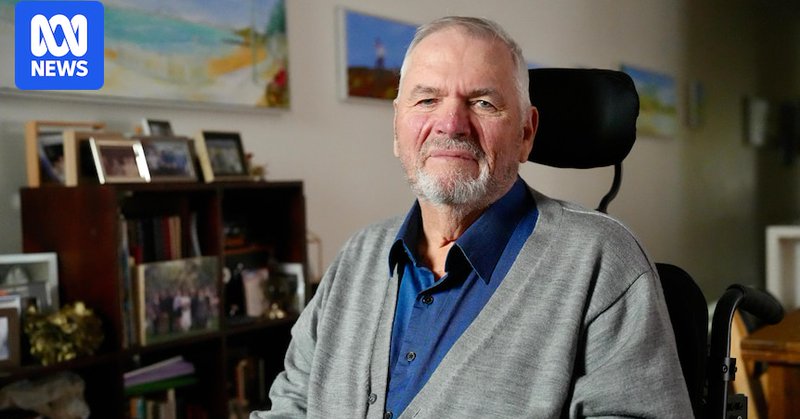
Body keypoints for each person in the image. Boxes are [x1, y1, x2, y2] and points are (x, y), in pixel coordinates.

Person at [252, 16, 692, 418]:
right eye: (426, 99)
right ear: (396, 129)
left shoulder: (601, 262)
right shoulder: (358, 256)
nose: (451, 124)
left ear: (526, 133)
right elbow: (291, 403)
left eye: (482, 102)